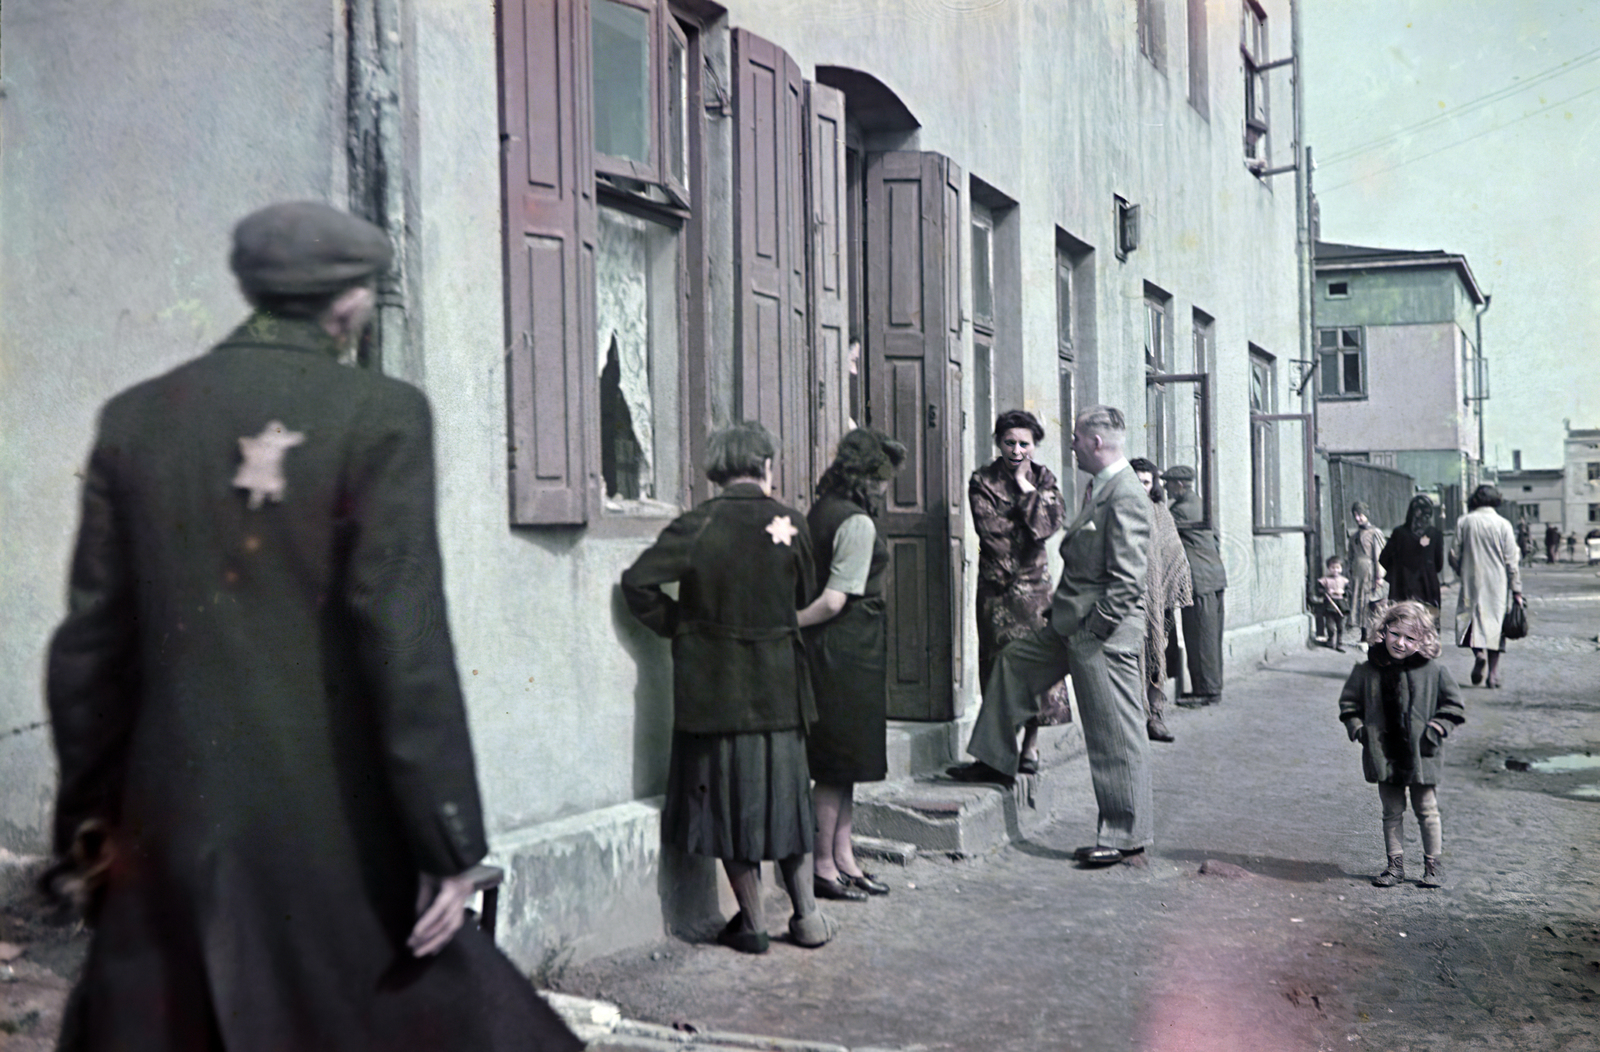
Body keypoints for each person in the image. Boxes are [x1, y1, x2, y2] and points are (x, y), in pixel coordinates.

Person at [44, 202, 581, 1049]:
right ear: (348, 302)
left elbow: (88, 655)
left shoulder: (136, 419)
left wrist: (85, 832)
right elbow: (403, 643)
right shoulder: (381, 415)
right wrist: (448, 843)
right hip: (330, 839)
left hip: (167, 830)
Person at [621, 421, 834, 953]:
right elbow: (805, 592)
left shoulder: (697, 524)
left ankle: (755, 923)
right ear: (766, 466)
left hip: (716, 691)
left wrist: (681, 626)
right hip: (781, 688)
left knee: (728, 801)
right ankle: (807, 918)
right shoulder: (791, 522)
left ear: (717, 471)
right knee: (787, 800)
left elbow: (637, 583)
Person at [950, 406, 1154, 868]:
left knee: (1113, 733)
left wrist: (1094, 632)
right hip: (1069, 622)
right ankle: (995, 759)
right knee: (1014, 663)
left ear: (1096, 443)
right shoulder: (1101, 487)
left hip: (1099, 632)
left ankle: (1125, 836)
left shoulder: (1125, 495)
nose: (1073, 446)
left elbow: (1128, 580)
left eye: (1077, 438)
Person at [799, 429, 907, 902]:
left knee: (844, 764)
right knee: (835, 764)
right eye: (881, 478)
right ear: (866, 477)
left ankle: (845, 860)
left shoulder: (822, 510)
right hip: (845, 650)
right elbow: (832, 600)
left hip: (844, 650)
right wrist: (789, 624)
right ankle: (823, 866)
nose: (885, 488)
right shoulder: (856, 523)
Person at [1337, 600, 1465, 890]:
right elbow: (1349, 703)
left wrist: (1435, 729)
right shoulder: (1368, 669)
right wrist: (1359, 730)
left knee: (1427, 810)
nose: (1401, 643)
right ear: (1383, 631)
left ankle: (1433, 865)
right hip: (1383, 753)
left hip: (1422, 754)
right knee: (1391, 811)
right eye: (1395, 634)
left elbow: (1454, 706)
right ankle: (1395, 866)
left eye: (1410, 638)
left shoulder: (1434, 671)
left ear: (1423, 640)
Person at [969, 410, 1069, 772]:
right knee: (998, 668)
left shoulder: (1044, 478)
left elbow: (1049, 526)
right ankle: (1001, 750)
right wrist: (1031, 517)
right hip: (998, 590)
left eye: (1024, 443)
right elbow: (990, 532)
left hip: (1036, 592)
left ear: (1034, 445)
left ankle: (1031, 747)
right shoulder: (982, 480)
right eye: (1009, 442)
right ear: (998, 442)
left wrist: (1028, 492)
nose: (1016, 450)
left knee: (1038, 669)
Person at [1128, 457, 1192, 743]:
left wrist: (1169, 589)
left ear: (1154, 485)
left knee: (1156, 657)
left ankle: (1156, 715)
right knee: (1128, 660)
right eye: (1136, 480)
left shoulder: (1160, 512)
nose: (1141, 487)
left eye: (1146, 481)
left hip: (1157, 600)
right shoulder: (1120, 509)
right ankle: (1133, 720)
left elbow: (1174, 552)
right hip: (1126, 600)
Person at [1163, 465, 1227, 706]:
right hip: (1214, 577)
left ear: (1180, 485)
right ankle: (1210, 687)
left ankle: (1207, 692)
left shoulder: (1180, 511)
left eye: (1168, 483)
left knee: (1200, 637)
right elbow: (1217, 539)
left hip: (1199, 581)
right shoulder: (1203, 505)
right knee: (1211, 636)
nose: (1165, 488)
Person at [1449, 484, 1523, 689]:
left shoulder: (1464, 521)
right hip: (1497, 584)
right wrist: (1516, 589)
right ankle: (1493, 675)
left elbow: (1453, 554)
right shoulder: (1504, 524)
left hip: (1471, 582)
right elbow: (1512, 561)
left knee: (1470, 623)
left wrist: (1461, 571)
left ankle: (1478, 654)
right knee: (1495, 627)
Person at [1380, 495, 1444, 622]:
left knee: (1402, 622)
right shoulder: (1434, 534)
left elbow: (1383, 558)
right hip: (1427, 586)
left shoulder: (1399, 533)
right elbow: (1439, 565)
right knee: (1428, 623)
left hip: (1401, 585)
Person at [1347, 502, 1387, 644]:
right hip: (1358, 574)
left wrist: (1379, 577)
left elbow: (1379, 556)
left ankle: (1377, 635)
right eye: (1355, 515)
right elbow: (1350, 557)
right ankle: (1363, 634)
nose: (1358, 518)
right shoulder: (1353, 536)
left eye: (1360, 514)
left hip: (1370, 572)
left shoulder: (1375, 533)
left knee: (1372, 604)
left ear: (1366, 514)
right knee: (1359, 603)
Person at [1316, 556, 1352, 652]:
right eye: (1333, 568)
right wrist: (1326, 591)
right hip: (1329, 604)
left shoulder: (1344, 580)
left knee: (1340, 626)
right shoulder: (1324, 580)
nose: (1335, 570)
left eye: (1338, 567)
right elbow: (1319, 590)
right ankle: (1330, 640)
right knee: (1330, 625)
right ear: (1329, 568)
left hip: (1340, 605)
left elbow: (1349, 592)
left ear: (1341, 569)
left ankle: (1339, 643)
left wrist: (1343, 592)